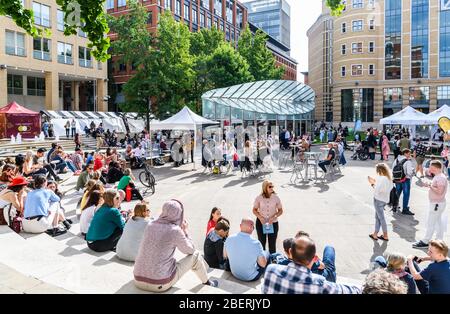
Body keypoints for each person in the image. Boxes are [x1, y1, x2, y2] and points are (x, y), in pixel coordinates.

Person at [134, 200, 218, 292]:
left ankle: (206, 275)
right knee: (196, 255)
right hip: (159, 283)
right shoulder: (175, 230)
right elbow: (191, 250)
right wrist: (185, 231)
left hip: (138, 279)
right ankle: (208, 282)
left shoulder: (150, 225)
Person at [262, 235, 361, 294]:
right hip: (326, 275)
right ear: (314, 258)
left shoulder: (271, 270)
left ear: (290, 252)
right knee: (329, 250)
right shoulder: (319, 283)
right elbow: (352, 291)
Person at [413, 160, 448, 248]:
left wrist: (429, 186)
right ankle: (439, 240)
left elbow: (439, 192)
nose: (429, 168)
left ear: (435, 168)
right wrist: (429, 185)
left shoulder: (440, 178)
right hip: (438, 203)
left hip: (437, 204)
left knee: (431, 223)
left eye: (431, 167)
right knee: (438, 222)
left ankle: (426, 241)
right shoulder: (439, 176)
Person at [253, 180, 283, 254]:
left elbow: (280, 210)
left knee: (272, 245)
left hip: (273, 223)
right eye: (270, 186)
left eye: (272, 186)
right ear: (265, 187)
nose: (272, 188)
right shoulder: (259, 198)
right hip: (261, 223)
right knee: (261, 244)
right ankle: (262, 262)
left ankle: (272, 261)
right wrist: (260, 218)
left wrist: (274, 217)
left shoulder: (276, 198)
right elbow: (254, 210)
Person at [368, 163, 392, 241]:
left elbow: (377, 190)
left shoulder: (381, 178)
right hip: (385, 200)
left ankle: (385, 235)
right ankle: (375, 234)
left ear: (379, 170)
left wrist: (372, 184)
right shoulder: (388, 178)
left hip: (378, 200)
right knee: (378, 217)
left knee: (381, 218)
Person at [392, 149, 415, 215]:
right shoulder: (408, 162)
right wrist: (413, 172)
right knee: (406, 194)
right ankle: (405, 209)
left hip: (397, 180)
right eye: (409, 154)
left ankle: (394, 206)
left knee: (397, 193)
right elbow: (409, 173)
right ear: (405, 153)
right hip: (405, 180)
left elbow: (393, 169)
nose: (410, 155)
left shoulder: (396, 160)